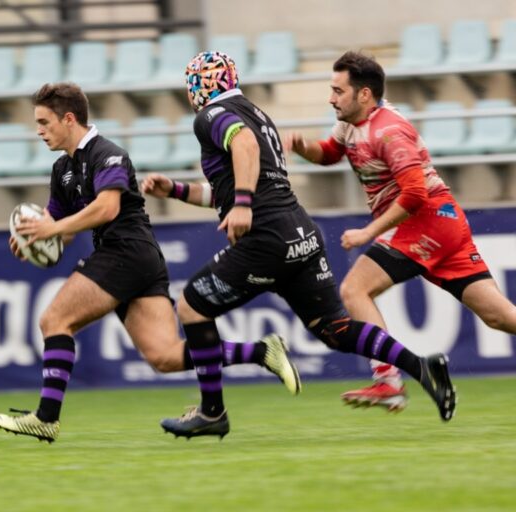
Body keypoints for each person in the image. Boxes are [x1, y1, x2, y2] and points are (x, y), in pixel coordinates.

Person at [142, 51, 456, 440]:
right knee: (336, 329)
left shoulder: (210, 116)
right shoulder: (255, 113)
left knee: (191, 305)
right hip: (301, 233)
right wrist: (174, 190)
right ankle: (421, 366)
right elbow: (240, 183)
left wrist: (241, 205)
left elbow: (244, 151)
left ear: (199, 84)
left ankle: (211, 413)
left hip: (267, 239)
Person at [0, 82, 301, 443]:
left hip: (126, 252)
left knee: (54, 320)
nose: (39, 131)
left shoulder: (107, 154)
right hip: (138, 259)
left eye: (44, 122)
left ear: (69, 118)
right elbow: (62, 229)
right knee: (165, 356)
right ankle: (262, 351)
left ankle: (46, 418)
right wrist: (34, 237)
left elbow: (108, 208)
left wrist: (53, 228)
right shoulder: (63, 170)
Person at [285, 50, 516, 412]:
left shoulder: (389, 131)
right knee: (500, 317)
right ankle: (390, 381)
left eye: (337, 91)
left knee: (354, 288)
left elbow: (414, 193)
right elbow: (330, 153)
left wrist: (368, 232)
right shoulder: (350, 123)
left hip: (426, 221)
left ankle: (388, 382)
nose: (331, 98)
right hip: (442, 224)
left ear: (364, 94)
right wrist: (304, 147)